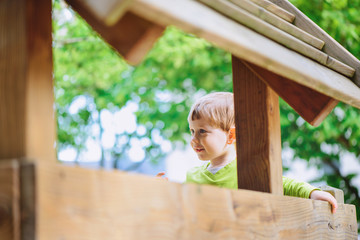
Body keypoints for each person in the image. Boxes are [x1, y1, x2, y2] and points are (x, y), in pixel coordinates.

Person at [157, 92, 338, 213]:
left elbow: (283, 184)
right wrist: (164, 192)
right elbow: (183, 209)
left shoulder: (249, 171)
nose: (194, 139)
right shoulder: (193, 176)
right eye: (192, 131)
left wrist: (312, 193)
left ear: (231, 136)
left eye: (202, 131)